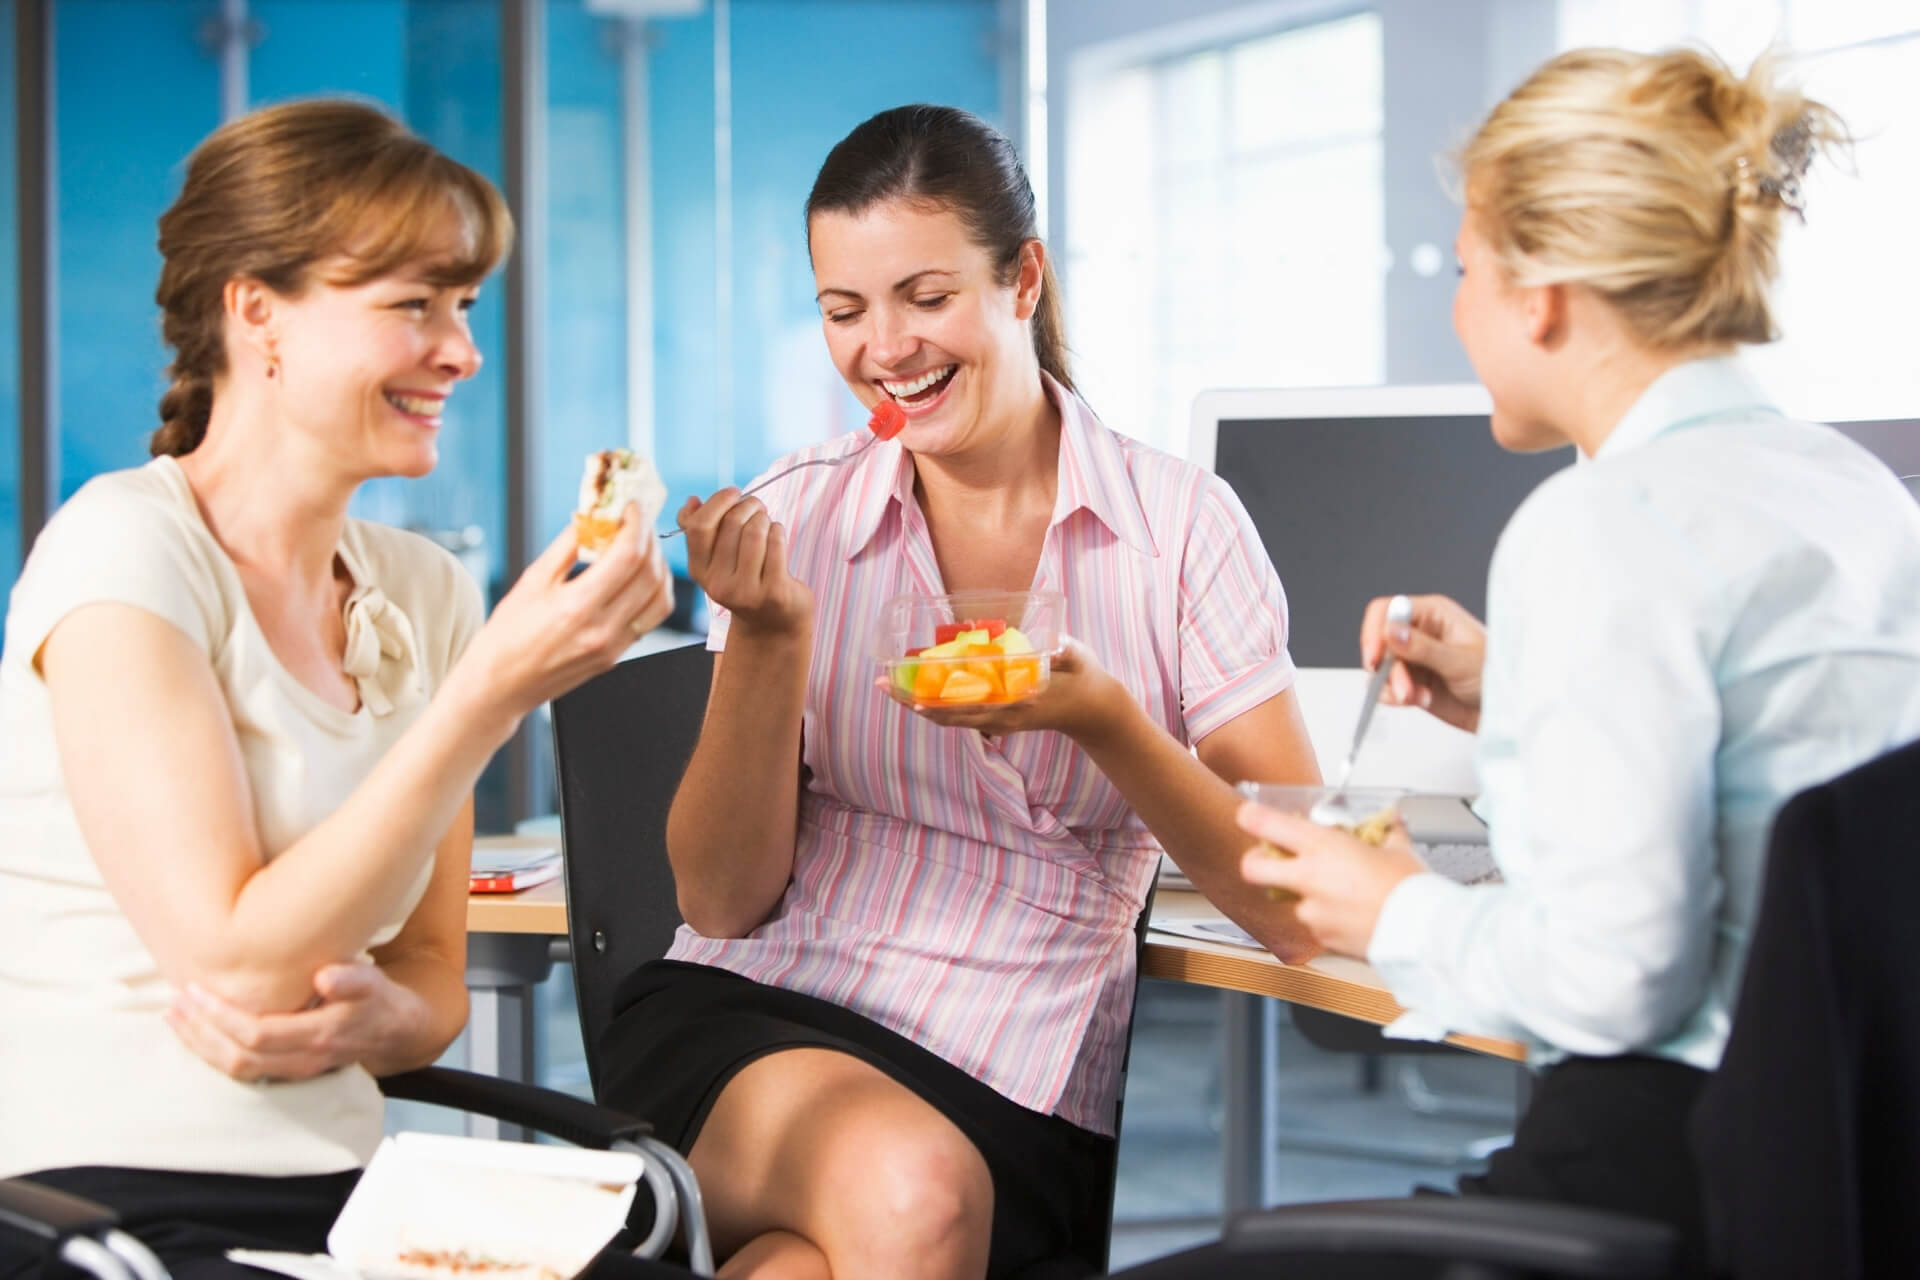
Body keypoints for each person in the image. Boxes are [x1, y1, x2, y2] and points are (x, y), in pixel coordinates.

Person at [1126, 46, 1920, 1279]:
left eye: (1463, 271)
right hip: (1856, 1163)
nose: (1457, 310)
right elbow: (1783, 770)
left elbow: (1615, 987)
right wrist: (1519, 687)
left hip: (1672, 1169)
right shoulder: (1857, 491)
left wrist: (1389, 908)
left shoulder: (1602, 524)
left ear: (1539, 290)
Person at [594, 104, 1322, 1280]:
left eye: (925, 298)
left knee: (808, 1257)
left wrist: (1110, 723)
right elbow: (722, 900)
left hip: (1015, 1063)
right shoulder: (800, 512)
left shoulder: (1181, 527)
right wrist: (773, 636)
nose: (885, 348)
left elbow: (1299, 903)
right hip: (761, 1014)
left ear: (1022, 278)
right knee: (911, 1188)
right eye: (844, 310)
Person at [0, 100, 681, 1278]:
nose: (461, 351)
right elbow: (242, 963)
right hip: (100, 1211)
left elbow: (431, 972)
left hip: (350, 1202)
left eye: (463, 306)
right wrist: (488, 696)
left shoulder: (421, 588)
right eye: (412, 306)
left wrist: (390, 1022)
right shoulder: (124, 551)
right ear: (256, 310)